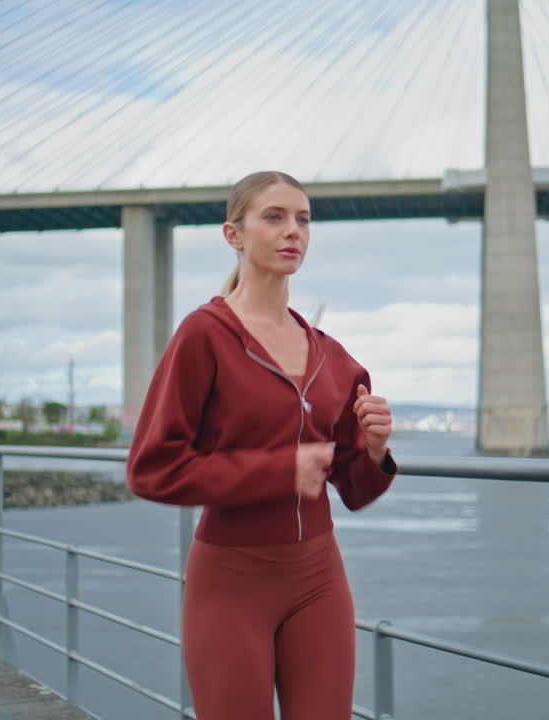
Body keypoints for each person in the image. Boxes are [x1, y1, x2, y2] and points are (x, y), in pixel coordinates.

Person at [126, 170, 397, 720]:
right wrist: (278, 470)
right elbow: (152, 468)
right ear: (234, 234)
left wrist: (372, 448)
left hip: (319, 578)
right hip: (231, 581)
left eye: (302, 219)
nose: (292, 230)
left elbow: (353, 487)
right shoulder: (204, 335)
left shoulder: (332, 356)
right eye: (273, 217)